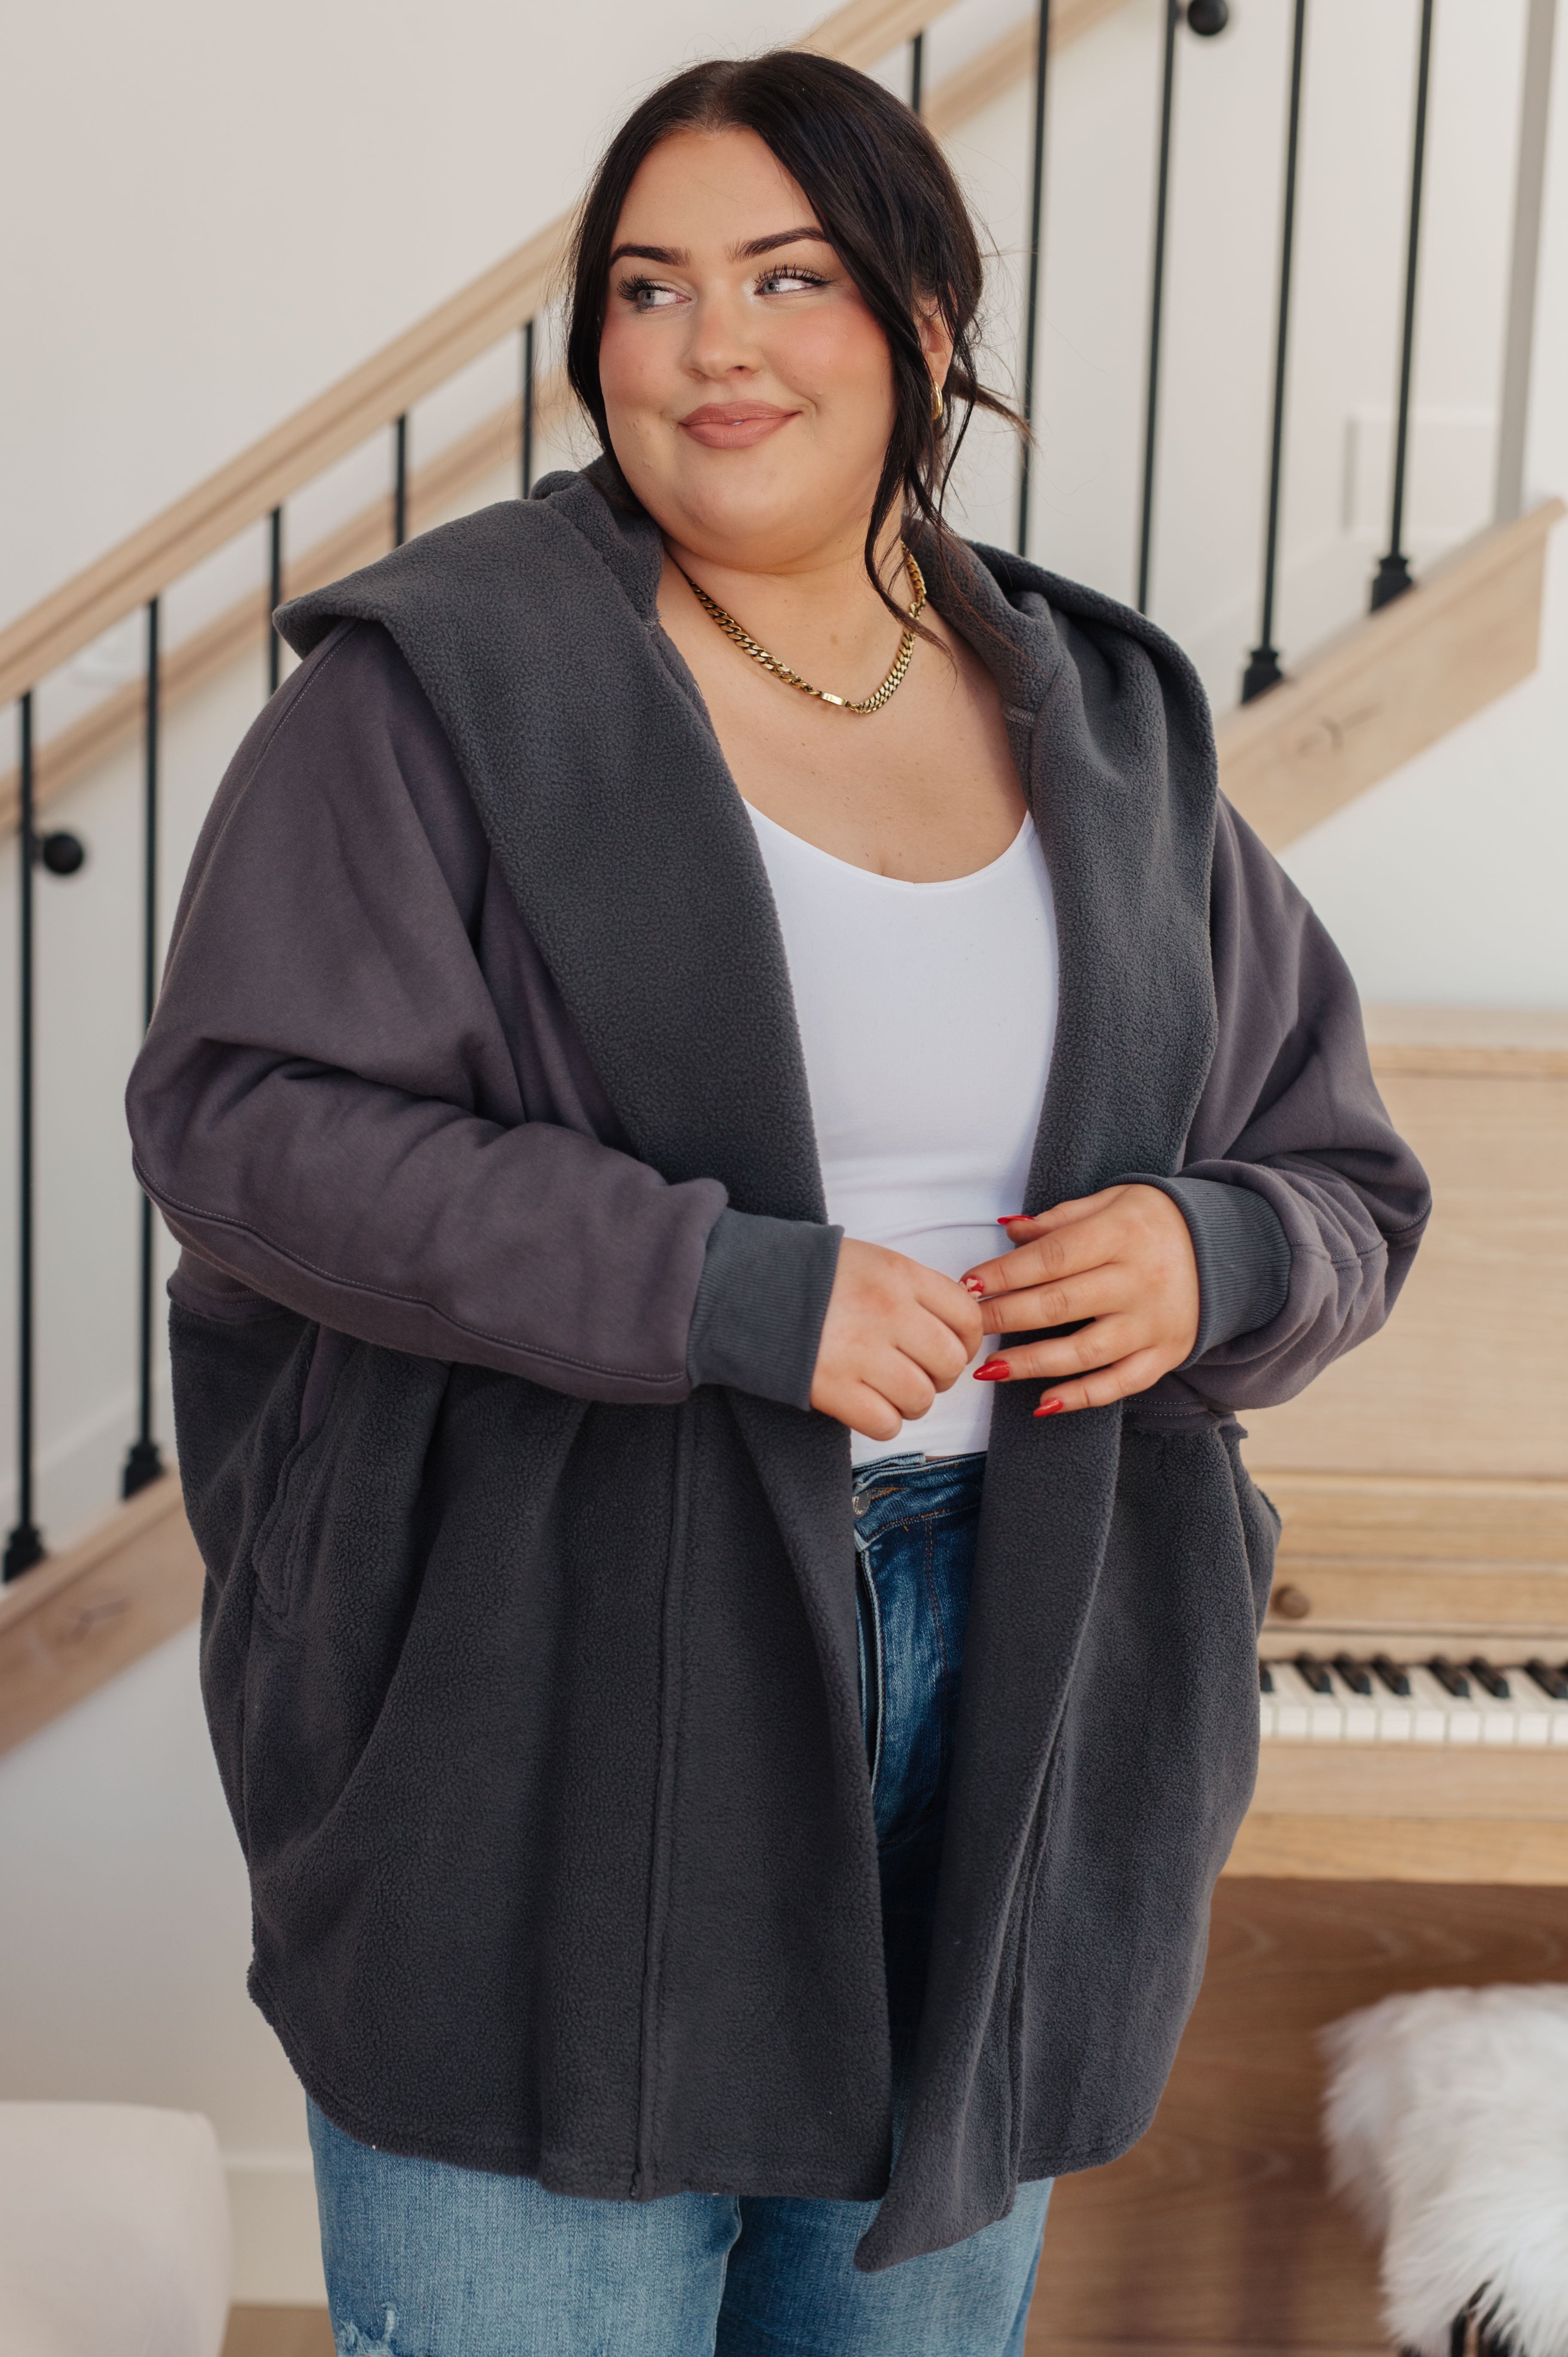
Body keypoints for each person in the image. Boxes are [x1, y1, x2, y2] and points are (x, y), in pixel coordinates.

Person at [126, 49, 1430, 2357]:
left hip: (1013, 1686)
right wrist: (722, 1290)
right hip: (559, 1689)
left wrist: (1209, 1252)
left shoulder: (1102, 720)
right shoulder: (440, 693)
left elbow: (1339, 1177)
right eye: (649, 290)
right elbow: (245, 1128)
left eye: (785, 278)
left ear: (922, 327)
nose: (709, 344)